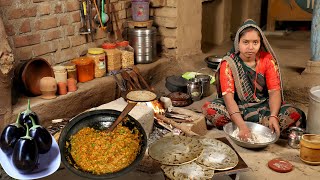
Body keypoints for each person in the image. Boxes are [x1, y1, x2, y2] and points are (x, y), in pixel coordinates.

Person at [202, 19, 306, 141]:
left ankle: (252, 125)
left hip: (263, 107)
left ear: (260, 43)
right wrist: (242, 127)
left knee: (295, 113)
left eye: (255, 42)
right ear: (238, 43)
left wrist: (273, 116)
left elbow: (274, 92)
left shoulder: (267, 60)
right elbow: (229, 99)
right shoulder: (229, 63)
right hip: (238, 107)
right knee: (208, 108)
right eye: (245, 42)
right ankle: (257, 127)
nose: (250, 47)